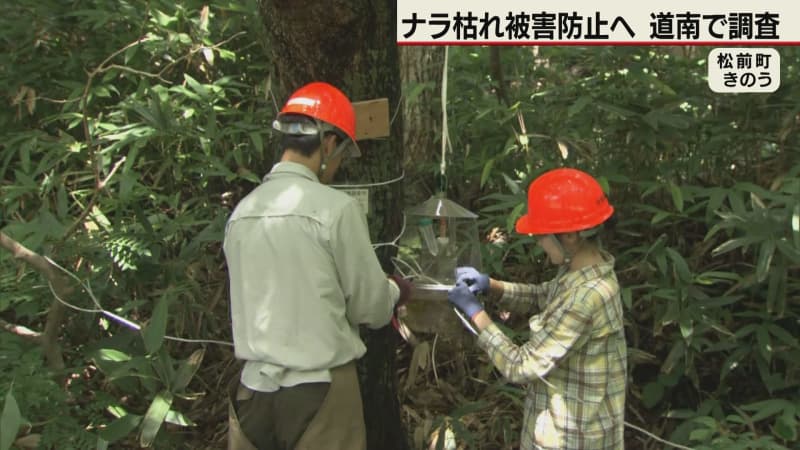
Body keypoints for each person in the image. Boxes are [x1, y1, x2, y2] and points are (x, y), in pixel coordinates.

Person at [223, 81, 411, 450]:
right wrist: (395, 289)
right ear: (328, 144)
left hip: (252, 394)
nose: (339, 166)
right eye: (342, 154)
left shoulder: (241, 213)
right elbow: (370, 308)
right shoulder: (335, 209)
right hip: (319, 391)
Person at [448, 168, 627, 450]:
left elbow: (522, 366)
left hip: (574, 440)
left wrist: (476, 315)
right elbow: (546, 296)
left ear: (569, 236)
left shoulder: (585, 298)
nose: (537, 242)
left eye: (540, 235)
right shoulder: (589, 271)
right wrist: (492, 286)